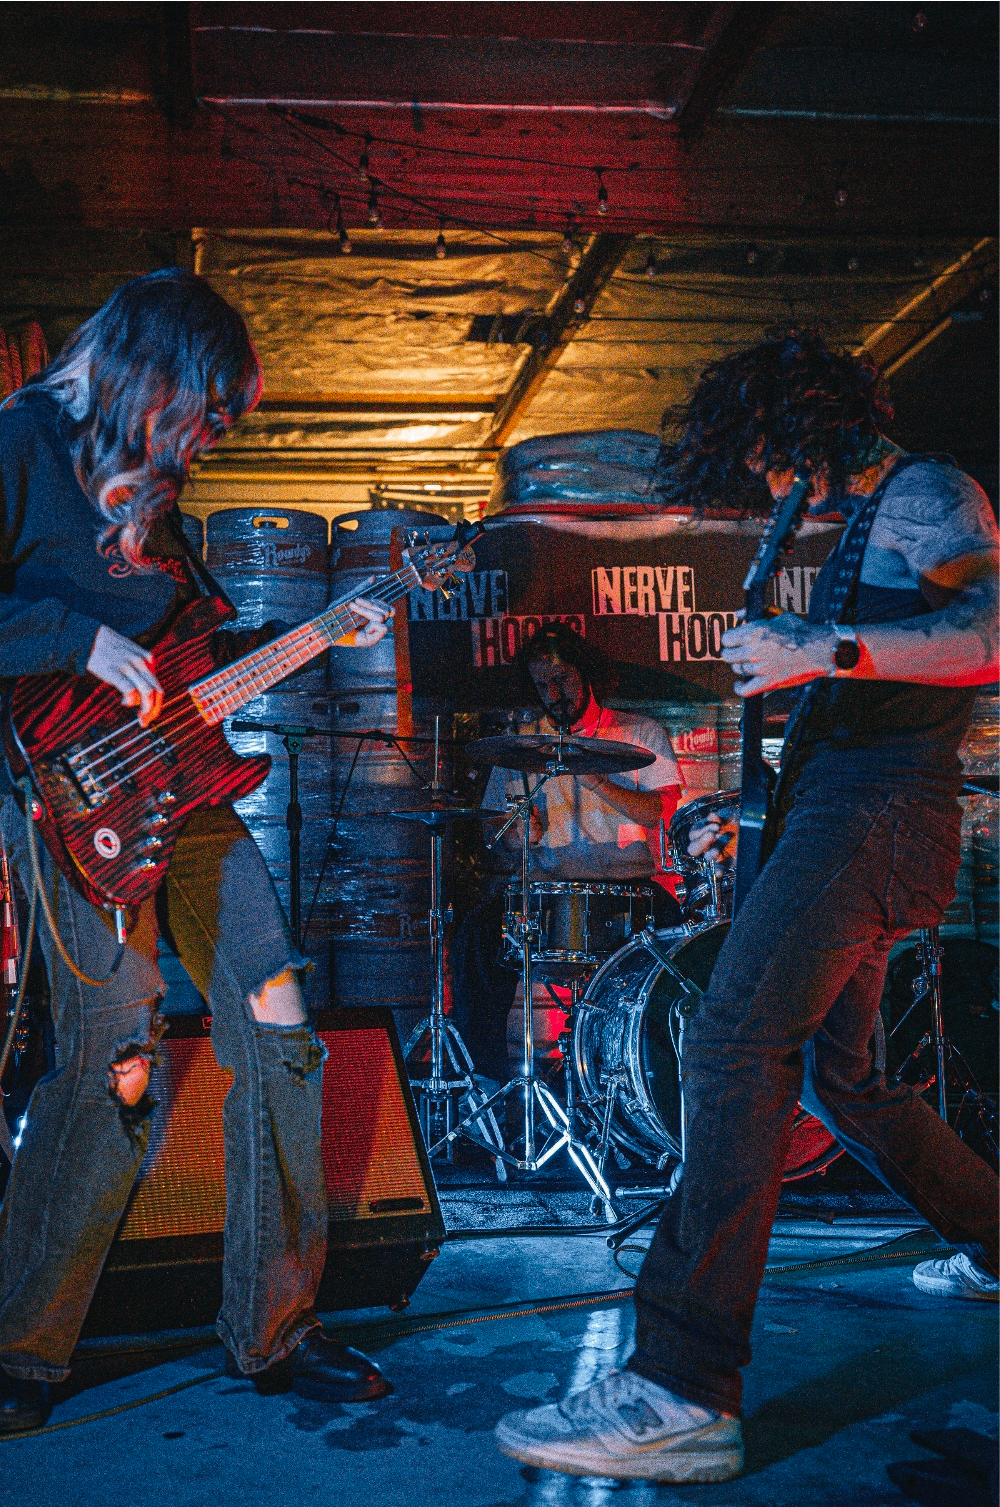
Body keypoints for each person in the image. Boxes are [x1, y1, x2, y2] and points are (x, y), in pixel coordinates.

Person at [494, 333, 1000, 1483]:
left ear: (799, 423)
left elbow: (988, 635)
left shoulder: (929, 490)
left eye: (769, 459)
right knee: (847, 1080)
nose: (772, 486)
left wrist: (824, 645)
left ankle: (681, 1385)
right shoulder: (867, 514)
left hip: (871, 819)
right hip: (844, 814)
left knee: (730, 1040)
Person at [0, 270, 394, 1433]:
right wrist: (77, 634)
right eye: (203, 411)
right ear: (147, 370)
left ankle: (275, 1327)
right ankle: (22, 1347)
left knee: (275, 1015)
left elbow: (190, 645)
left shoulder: (154, 486)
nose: (208, 438)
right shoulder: (19, 443)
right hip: (67, 799)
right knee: (116, 1054)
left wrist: (321, 632)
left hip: (189, 784)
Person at [451, 623, 683, 1084]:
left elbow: (660, 809)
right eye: (542, 685)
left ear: (587, 674)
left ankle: (659, 1079)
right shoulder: (520, 743)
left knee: (678, 948)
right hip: (543, 895)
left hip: (625, 891)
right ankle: (487, 1080)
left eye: (563, 680)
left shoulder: (639, 732)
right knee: (475, 939)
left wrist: (591, 771)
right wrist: (515, 832)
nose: (553, 693)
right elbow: (491, 829)